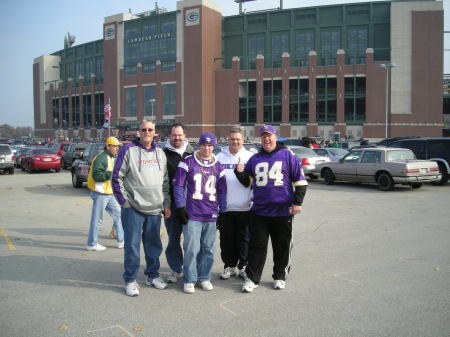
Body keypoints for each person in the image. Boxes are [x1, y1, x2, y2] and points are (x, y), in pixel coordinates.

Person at [235, 125, 308, 293]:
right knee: (257, 246)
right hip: (260, 211)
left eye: (269, 136)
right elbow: (248, 183)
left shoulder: (288, 155)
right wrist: (239, 173)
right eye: (263, 136)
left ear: (275, 137)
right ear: (260, 139)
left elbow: (300, 181)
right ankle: (253, 278)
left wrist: (298, 202)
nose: (266, 139)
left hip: (282, 210)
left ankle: (280, 276)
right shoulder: (255, 158)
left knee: (281, 245)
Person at [112, 120, 171, 297]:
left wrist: (166, 203)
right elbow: (116, 177)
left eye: (150, 129)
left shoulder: (160, 153)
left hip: (154, 209)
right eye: (143, 129)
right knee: (132, 246)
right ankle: (130, 279)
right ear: (139, 132)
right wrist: (124, 202)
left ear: (155, 133)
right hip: (133, 209)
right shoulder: (128, 150)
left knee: (154, 246)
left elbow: (165, 181)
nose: (147, 132)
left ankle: (152, 275)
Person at [172, 133, 227, 294]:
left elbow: (222, 191)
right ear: (199, 145)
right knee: (191, 248)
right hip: (193, 213)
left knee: (208, 249)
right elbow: (178, 186)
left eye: (210, 145)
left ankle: (204, 277)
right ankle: (189, 278)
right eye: (204, 145)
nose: (207, 148)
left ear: (214, 147)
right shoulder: (187, 162)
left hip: (210, 213)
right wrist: (180, 207)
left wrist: (222, 211)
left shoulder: (218, 166)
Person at [216, 127, 253, 280]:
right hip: (225, 207)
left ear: (242, 140)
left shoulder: (250, 157)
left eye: (238, 139)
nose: (235, 142)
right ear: (228, 140)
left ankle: (243, 266)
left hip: (245, 207)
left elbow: (254, 182)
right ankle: (229, 266)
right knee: (226, 239)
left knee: (244, 240)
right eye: (232, 139)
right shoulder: (219, 157)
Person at [162, 123, 195, 283]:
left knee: (192, 240)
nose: (177, 138)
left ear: (184, 135)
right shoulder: (163, 154)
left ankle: (191, 269)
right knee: (173, 239)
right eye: (174, 135)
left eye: (179, 135)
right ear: (170, 135)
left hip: (192, 206)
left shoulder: (193, 153)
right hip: (172, 205)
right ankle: (176, 269)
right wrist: (165, 204)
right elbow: (162, 182)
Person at [86, 136, 124, 251]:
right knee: (97, 219)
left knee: (119, 214)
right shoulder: (101, 158)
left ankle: (121, 240)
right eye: (115, 146)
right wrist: (111, 174)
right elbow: (97, 176)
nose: (117, 148)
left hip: (109, 193)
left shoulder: (111, 157)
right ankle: (91, 244)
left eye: (118, 146)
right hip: (100, 193)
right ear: (108, 146)